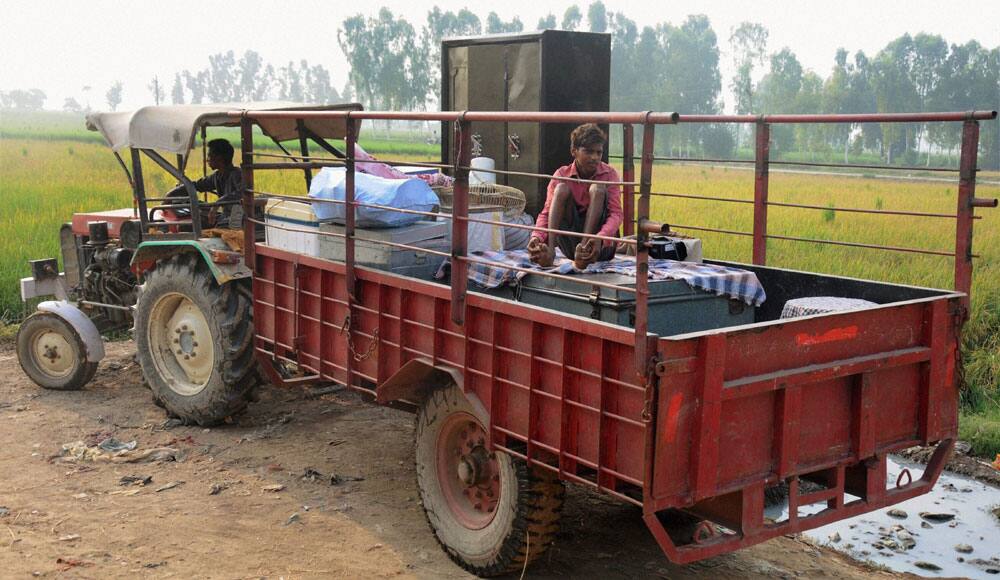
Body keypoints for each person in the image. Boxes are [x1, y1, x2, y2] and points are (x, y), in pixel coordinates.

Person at [527, 123, 622, 269]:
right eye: (588, 152)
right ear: (574, 151)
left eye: (599, 152)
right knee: (561, 189)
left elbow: (616, 214)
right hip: (570, 244)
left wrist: (600, 237)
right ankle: (550, 252)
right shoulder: (561, 174)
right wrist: (536, 237)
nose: (595, 157)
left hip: (599, 246)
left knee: (597, 190)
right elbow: (546, 213)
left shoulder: (609, 174)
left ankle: (584, 251)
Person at [166, 138, 242, 227]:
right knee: (193, 206)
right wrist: (170, 195)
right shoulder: (217, 176)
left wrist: (217, 204)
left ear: (219, 158)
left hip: (237, 220)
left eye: (209, 156)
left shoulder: (237, 174)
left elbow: (242, 193)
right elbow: (196, 185)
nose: (207, 160)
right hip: (225, 217)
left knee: (187, 226)